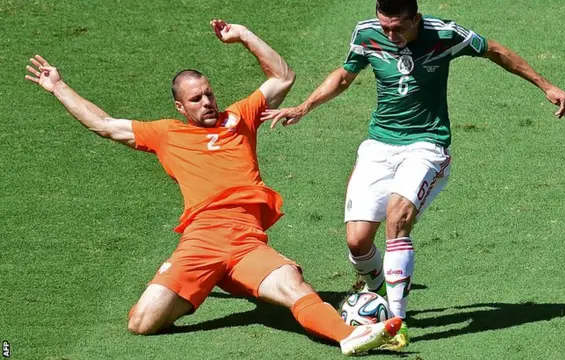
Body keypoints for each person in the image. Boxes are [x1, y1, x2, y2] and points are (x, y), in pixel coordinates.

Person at [25, 19, 404, 356]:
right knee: (141, 323)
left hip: (245, 240)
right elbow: (104, 124)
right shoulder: (165, 134)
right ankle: (210, 279)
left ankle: (350, 336)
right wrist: (58, 87)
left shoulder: (239, 117)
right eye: (196, 98)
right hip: (200, 241)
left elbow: (282, 77)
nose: (207, 101)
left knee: (294, 286)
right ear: (180, 107)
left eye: (209, 93)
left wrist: (244, 36)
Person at [262, 0, 565, 350]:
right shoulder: (366, 33)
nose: (391, 35)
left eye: (399, 28)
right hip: (379, 146)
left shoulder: (444, 33)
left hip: (427, 145)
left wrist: (546, 85)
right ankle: (377, 293)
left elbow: (495, 50)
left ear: (416, 19)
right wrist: (305, 106)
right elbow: (344, 75)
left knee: (397, 217)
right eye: (386, 27)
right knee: (357, 242)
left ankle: (397, 323)